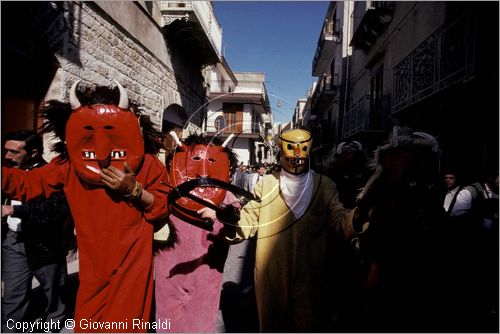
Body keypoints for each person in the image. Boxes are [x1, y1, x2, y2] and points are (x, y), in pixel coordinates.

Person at [2, 81, 170, 332]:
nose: (102, 150)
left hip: (132, 267)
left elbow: (161, 210)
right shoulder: (67, 166)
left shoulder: (148, 165)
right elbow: (27, 183)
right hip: (92, 269)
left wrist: (135, 191)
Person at [199, 129, 368, 332]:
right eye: (291, 147)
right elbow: (249, 220)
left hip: (310, 279)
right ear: (281, 148)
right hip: (271, 278)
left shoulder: (324, 186)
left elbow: (341, 222)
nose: (297, 154)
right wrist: (227, 217)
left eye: (302, 148)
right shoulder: (267, 184)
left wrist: (358, 217)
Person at [154, 134, 240, 332]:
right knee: (167, 323)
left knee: (200, 324)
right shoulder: (168, 190)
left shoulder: (226, 196)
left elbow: (235, 231)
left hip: (205, 275)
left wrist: (221, 215)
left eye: (211, 160)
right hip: (169, 272)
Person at [1, 130, 71, 333]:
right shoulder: (6, 172)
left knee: (53, 292)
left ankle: (54, 324)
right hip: (14, 243)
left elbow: (55, 211)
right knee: (13, 295)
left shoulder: (52, 175)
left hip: (45, 244)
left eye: (14, 152)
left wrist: (15, 210)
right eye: (6, 151)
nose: (7, 157)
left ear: (33, 152)